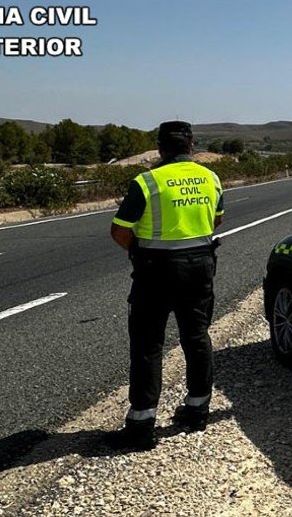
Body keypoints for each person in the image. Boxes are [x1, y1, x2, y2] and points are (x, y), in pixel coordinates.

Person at [107, 120, 224, 450]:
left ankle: (142, 426)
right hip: (200, 266)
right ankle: (198, 411)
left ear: (159, 147)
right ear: (191, 145)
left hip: (155, 270)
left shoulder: (147, 181)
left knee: (147, 346)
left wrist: (139, 249)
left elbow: (119, 231)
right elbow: (217, 219)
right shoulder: (210, 177)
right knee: (196, 337)